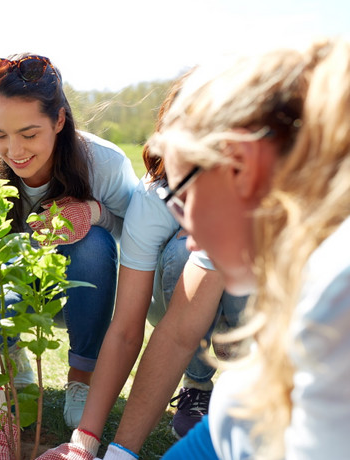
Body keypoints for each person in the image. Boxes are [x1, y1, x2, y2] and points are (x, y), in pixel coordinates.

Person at [150, 38, 350, 459]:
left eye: (182, 198)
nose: (188, 233)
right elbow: (225, 433)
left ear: (240, 166)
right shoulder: (301, 276)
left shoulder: (337, 293)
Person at [37, 73, 248, 460]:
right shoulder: (198, 210)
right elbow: (176, 335)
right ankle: (205, 388)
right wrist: (103, 447)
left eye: (199, 194)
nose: (190, 225)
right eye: (179, 199)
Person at [0, 53, 139, 456]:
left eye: (29, 133)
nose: (14, 150)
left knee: (94, 243)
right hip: (18, 293)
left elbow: (138, 235)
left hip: (85, 289)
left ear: (59, 121)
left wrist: (92, 212)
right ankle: (12, 364)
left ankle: (81, 377)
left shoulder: (105, 163)